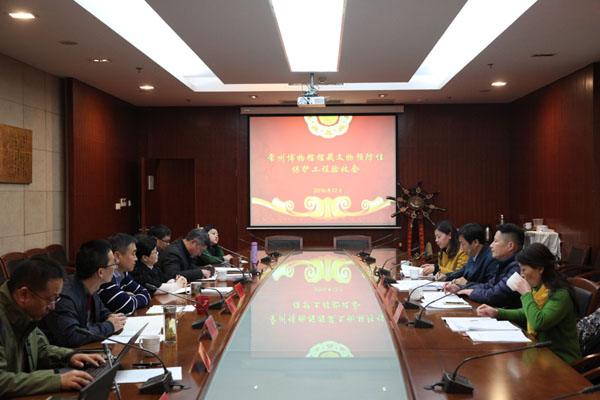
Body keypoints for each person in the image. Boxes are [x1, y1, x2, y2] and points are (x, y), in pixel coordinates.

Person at [0, 258, 106, 398]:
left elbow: (40, 349)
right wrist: (57, 380)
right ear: (23, 294)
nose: (53, 307)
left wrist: (69, 356)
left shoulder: (24, 314)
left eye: (56, 299)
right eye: (50, 300)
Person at [477, 243, 581, 363]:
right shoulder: (540, 287)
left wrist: (526, 294)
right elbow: (527, 313)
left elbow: (538, 322)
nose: (521, 275)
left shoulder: (560, 294)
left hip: (559, 359)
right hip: (539, 350)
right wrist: (497, 312)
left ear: (540, 269)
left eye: (524, 270)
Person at [40, 240, 128, 348]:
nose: (116, 267)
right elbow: (71, 336)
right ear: (100, 272)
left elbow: (101, 312)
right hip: (67, 354)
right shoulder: (64, 296)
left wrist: (112, 317)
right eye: (113, 263)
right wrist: (109, 326)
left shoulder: (91, 286)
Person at [445, 223, 524, 309]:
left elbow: (495, 295)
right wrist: (460, 288)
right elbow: (488, 285)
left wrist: (469, 292)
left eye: (496, 241)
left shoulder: (518, 267)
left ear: (510, 246)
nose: (491, 245)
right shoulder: (505, 263)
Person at [97, 233, 151, 314]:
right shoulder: (106, 277)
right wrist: (130, 297)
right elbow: (127, 306)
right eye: (133, 254)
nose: (136, 258)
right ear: (117, 256)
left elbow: (146, 293)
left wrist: (129, 298)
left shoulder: (124, 274)